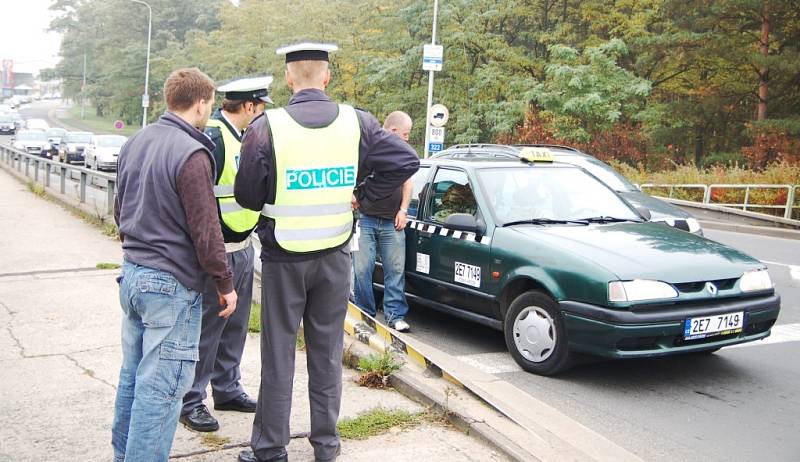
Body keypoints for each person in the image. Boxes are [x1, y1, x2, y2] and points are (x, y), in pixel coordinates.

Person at [234, 42, 419, 462]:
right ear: (327, 77)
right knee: (327, 352)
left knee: (279, 353)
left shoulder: (267, 127)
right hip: (336, 254)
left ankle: (269, 450)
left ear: (287, 78)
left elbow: (247, 196)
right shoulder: (359, 123)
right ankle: (326, 446)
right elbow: (406, 161)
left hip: (284, 258)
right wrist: (363, 195)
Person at [112, 68, 238, 462]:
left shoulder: (137, 141)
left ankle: (124, 455)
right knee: (163, 390)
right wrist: (224, 282)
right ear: (200, 103)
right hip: (170, 285)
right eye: (210, 103)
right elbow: (206, 229)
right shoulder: (193, 152)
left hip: (133, 275)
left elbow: (120, 207)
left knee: (132, 380)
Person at [180, 76, 274, 432]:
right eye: (261, 107)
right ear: (249, 106)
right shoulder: (215, 138)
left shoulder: (242, 137)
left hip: (243, 247)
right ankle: (192, 400)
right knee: (208, 329)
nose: (262, 114)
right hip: (219, 253)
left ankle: (227, 387)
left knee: (234, 327)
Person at [352, 111, 414, 331]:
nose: (407, 139)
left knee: (395, 269)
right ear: (394, 131)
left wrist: (403, 210)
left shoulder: (401, 155)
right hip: (365, 219)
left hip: (392, 220)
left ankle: (395, 315)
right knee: (362, 269)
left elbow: (408, 183)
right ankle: (365, 313)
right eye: (405, 134)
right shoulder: (370, 150)